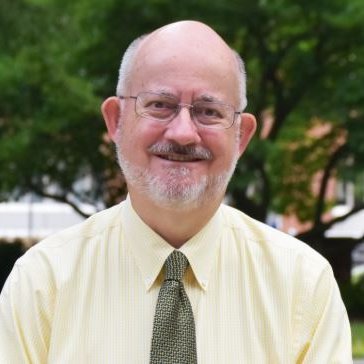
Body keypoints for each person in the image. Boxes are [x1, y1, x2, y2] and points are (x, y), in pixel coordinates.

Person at [0, 20, 352, 363]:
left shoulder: (303, 288)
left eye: (208, 111)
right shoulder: (41, 284)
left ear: (241, 136)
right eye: (160, 105)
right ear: (116, 121)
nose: (183, 133)